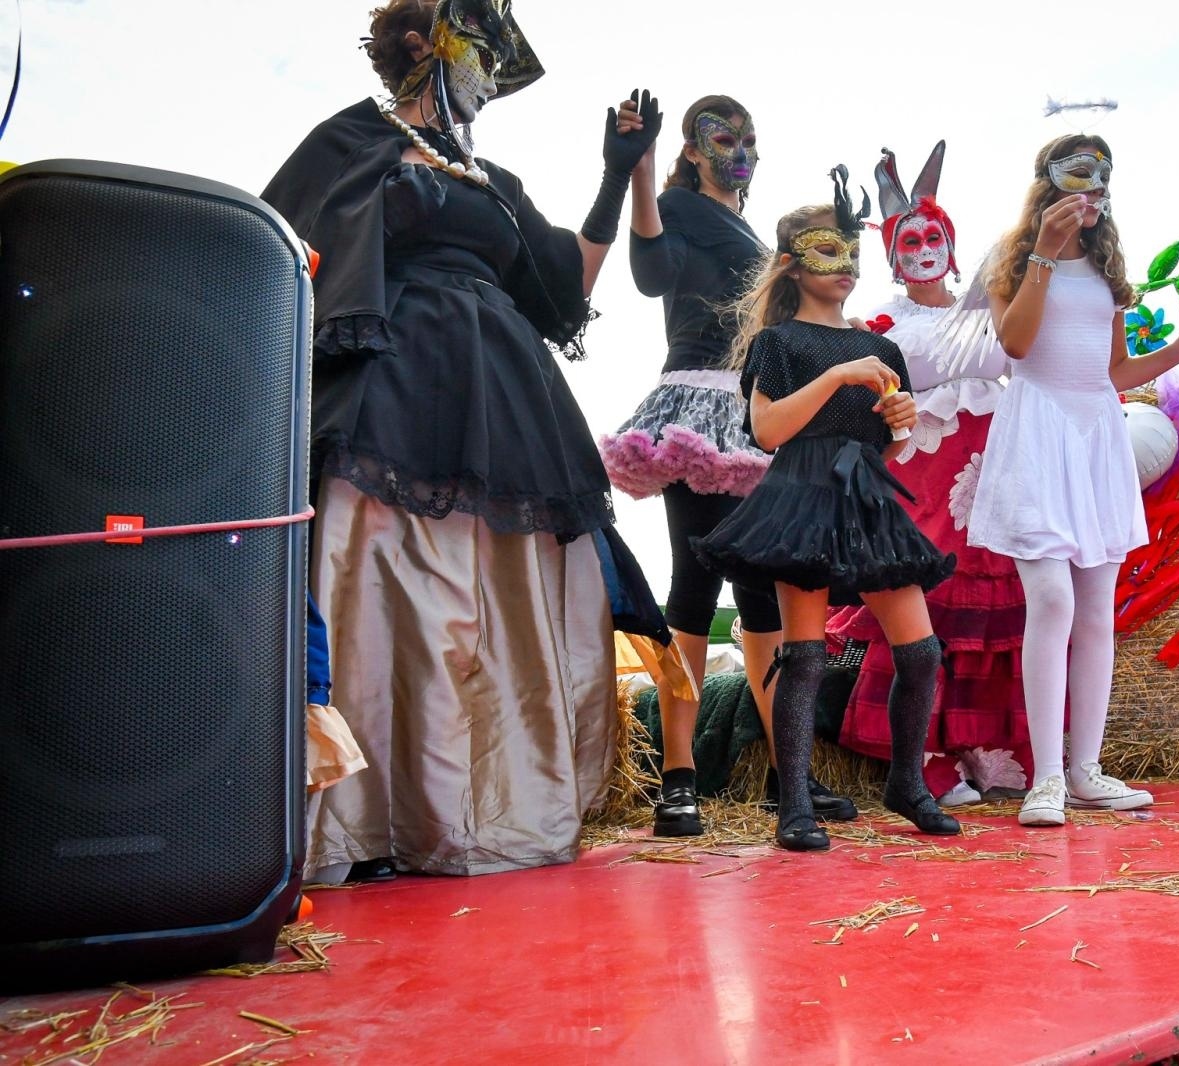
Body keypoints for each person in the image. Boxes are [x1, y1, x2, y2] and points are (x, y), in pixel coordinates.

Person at [261, 0, 664, 878]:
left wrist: (615, 175)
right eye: (482, 48)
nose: (491, 72)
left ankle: (475, 817)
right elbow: (273, 255)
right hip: (389, 391)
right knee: (387, 587)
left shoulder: (495, 182)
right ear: (423, 45)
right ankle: (363, 822)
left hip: (505, 403)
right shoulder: (348, 142)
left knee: (491, 599)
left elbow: (562, 290)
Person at [600, 96, 856, 836]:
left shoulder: (751, 229)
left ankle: (786, 774)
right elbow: (651, 273)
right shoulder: (680, 206)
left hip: (756, 408)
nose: (739, 151)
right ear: (691, 149)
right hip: (700, 405)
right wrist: (641, 169)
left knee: (762, 591)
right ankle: (677, 777)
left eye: (748, 139)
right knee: (695, 580)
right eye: (721, 138)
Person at [692, 169, 961, 851]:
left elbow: (888, 449)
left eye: (851, 251)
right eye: (827, 251)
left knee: (921, 652)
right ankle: (794, 804)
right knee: (805, 656)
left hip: (866, 496)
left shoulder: (883, 348)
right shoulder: (779, 343)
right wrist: (839, 375)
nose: (845, 265)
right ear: (791, 262)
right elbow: (769, 431)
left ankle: (907, 782)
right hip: (801, 499)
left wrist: (899, 425)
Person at [965, 134, 1179, 827]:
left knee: (1097, 611)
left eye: (1103, 173)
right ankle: (1046, 776)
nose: (1094, 184)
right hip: (1038, 430)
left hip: (1096, 431)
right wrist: (1044, 253)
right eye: (1079, 171)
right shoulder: (1011, 259)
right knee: (1051, 600)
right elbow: (1016, 345)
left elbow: (1114, 373)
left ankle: (1085, 770)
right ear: (1047, 182)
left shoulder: (1108, 270)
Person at [828, 141, 1035, 806]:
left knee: (997, 607)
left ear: (950, 243)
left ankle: (985, 746)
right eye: (907, 241)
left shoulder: (989, 307)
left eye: (931, 236)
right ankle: (923, 757)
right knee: (930, 605)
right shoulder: (884, 324)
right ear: (892, 257)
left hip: (994, 470)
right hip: (924, 476)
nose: (921, 249)